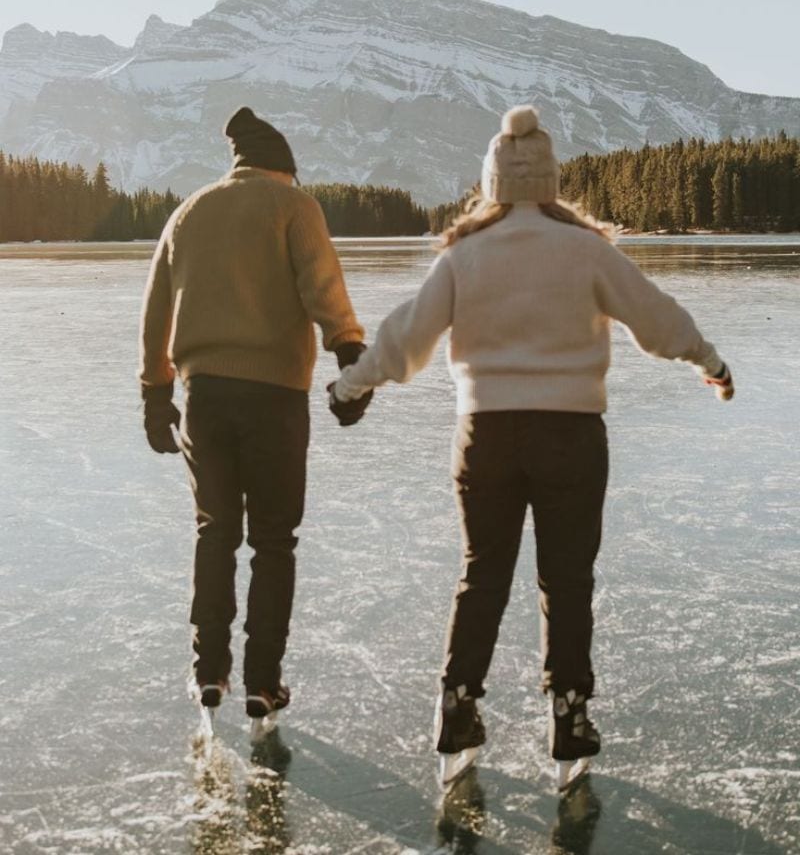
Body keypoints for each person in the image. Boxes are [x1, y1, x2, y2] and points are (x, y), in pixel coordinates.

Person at [328, 105, 733, 790]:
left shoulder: (465, 254)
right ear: (549, 181)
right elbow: (657, 318)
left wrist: (350, 386)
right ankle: (570, 715)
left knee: (482, 572)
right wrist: (711, 362)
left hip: (484, 436)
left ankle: (458, 707)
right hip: (571, 436)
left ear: (491, 183)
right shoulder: (586, 250)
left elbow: (406, 338)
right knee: (566, 581)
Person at [138, 106, 371, 726]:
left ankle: (208, 669)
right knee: (274, 542)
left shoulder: (188, 212)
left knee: (215, 532)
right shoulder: (294, 207)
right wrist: (350, 355)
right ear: (283, 168)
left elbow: (156, 310)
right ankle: (263, 682)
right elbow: (323, 287)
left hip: (204, 397)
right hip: (275, 401)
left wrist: (156, 395)